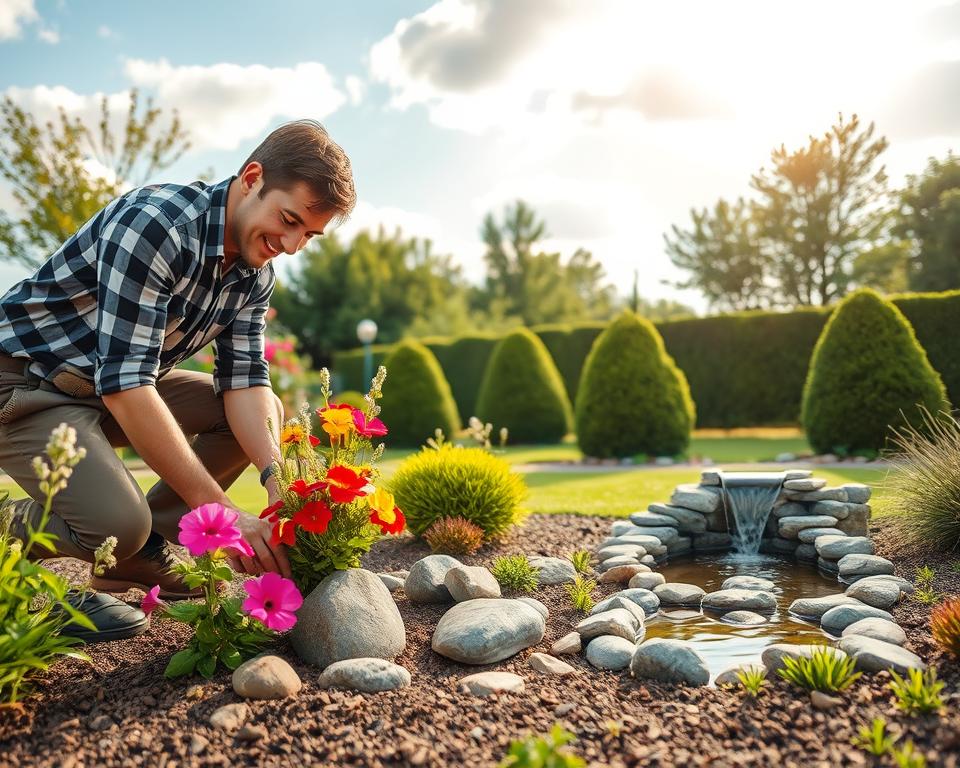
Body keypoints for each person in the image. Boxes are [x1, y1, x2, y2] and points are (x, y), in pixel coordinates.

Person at [0, 120, 355, 641]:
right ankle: (68, 533)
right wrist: (223, 512)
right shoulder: (157, 226)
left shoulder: (255, 273)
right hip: (23, 385)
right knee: (118, 523)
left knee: (264, 415)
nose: (293, 244)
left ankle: (136, 557)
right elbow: (127, 384)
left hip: (102, 385)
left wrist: (278, 481)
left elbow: (246, 383)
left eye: (309, 234)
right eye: (289, 220)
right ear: (252, 177)